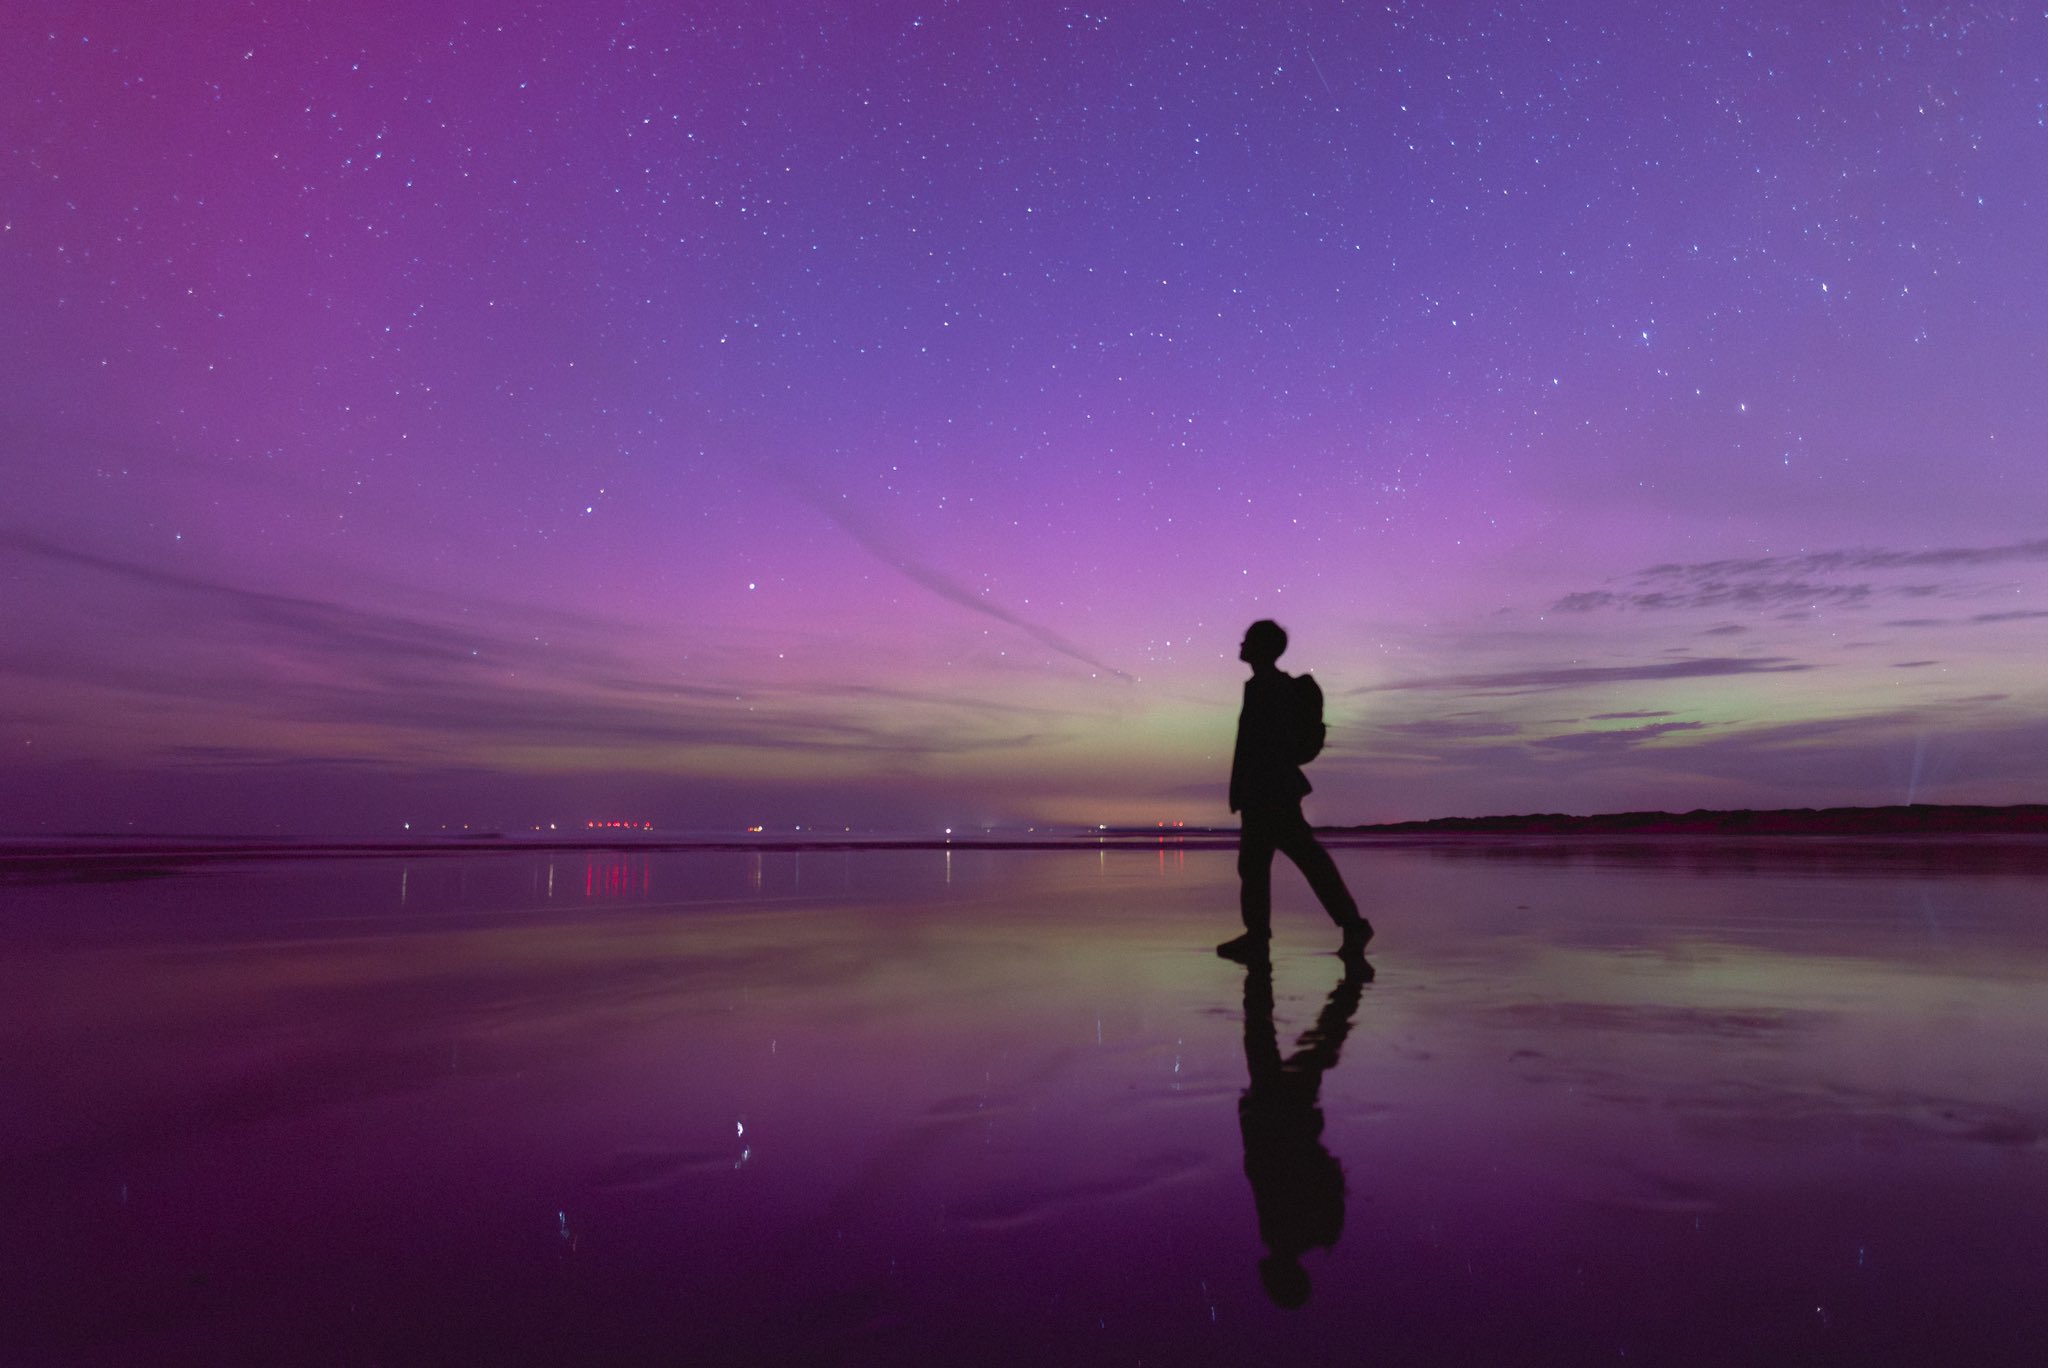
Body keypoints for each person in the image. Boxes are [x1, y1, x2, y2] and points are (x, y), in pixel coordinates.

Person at [1218, 620, 1371, 964]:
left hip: (1271, 792)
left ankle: (1348, 926)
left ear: (1261, 647)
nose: (1240, 644)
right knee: (1272, 864)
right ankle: (1261, 937)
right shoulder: (1262, 685)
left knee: (1293, 861)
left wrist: (1253, 785)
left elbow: (1268, 745)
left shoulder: (1271, 687)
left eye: (1247, 640)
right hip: (1266, 790)